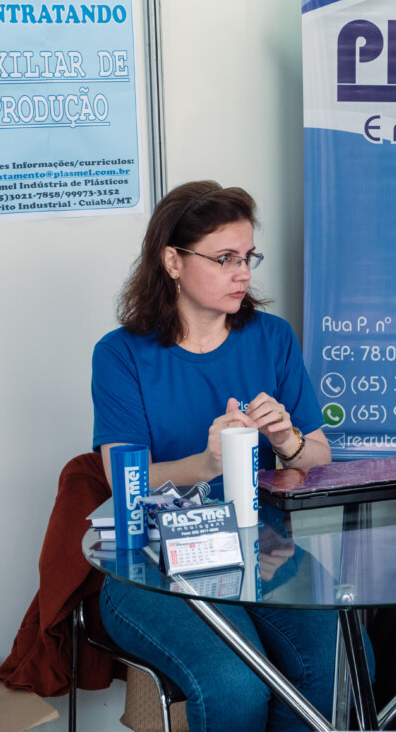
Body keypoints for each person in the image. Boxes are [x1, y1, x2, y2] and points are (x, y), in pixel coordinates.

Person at [92, 180, 335, 732]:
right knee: (234, 685)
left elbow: (319, 457)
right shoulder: (121, 354)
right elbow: (120, 480)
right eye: (225, 258)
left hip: (263, 550)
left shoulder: (272, 338)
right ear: (172, 261)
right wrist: (207, 463)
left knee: (338, 662)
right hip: (152, 565)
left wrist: (287, 441)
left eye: (248, 257)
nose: (243, 273)